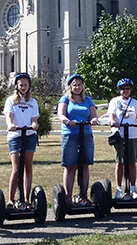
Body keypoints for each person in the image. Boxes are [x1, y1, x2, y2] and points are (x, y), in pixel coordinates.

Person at [57, 74, 99, 205]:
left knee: (85, 165)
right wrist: (67, 121)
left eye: (79, 84)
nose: (77, 87)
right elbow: (61, 114)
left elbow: (94, 116)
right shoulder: (65, 99)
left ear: (82, 86)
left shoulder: (88, 100)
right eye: (74, 85)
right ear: (70, 87)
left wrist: (93, 120)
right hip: (70, 134)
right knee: (70, 166)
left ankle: (84, 196)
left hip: (85, 133)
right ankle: (68, 197)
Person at [3, 73, 39, 208]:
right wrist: (10, 125)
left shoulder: (33, 102)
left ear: (29, 86)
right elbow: (9, 116)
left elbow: (34, 119)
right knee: (17, 169)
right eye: (20, 85)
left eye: (25, 85)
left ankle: (26, 199)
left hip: (29, 135)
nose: (23, 87)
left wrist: (35, 124)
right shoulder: (11, 100)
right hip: (15, 136)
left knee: (28, 167)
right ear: (16, 86)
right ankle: (11, 200)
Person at [107, 78, 137, 199]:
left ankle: (133, 189)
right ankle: (119, 189)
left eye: (128, 88)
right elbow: (112, 114)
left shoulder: (134, 103)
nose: (126, 91)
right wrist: (113, 122)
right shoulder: (115, 101)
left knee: (132, 163)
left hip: (133, 135)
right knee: (120, 163)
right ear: (120, 90)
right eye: (123, 89)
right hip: (120, 135)